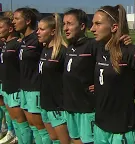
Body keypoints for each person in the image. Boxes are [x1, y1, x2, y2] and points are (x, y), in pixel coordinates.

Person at [90, 5, 135, 143]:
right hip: (100, 125)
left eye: (98, 24)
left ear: (114, 27)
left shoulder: (128, 52)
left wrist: (131, 93)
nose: (92, 29)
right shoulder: (98, 48)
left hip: (122, 128)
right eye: (93, 24)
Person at [13, 7, 49, 143]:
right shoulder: (24, 40)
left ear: (28, 21)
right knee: (33, 126)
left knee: (41, 127)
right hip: (24, 88)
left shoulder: (38, 40)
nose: (13, 22)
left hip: (35, 89)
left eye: (17, 19)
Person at [62, 8, 96, 144]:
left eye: (69, 24)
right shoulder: (70, 47)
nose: (65, 28)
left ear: (82, 26)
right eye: (64, 24)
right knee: (75, 139)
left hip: (86, 107)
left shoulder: (93, 45)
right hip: (70, 106)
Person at [37, 13, 71, 144]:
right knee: (53, 138)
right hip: (45, 103)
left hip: (58, 105)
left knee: (65, 141)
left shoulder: (62, 51)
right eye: (38, 29)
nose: (38, 32)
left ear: (52, 32)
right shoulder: (45, 49)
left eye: (41, 29)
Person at [0, 13, 19, 144]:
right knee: (5, 108)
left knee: (17, 116)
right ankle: (8, 130)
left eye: (1, 27)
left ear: (10, 29)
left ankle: (14, 133)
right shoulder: (6, 43)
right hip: (4, 83)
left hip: (15, 86)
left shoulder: (17, 44)